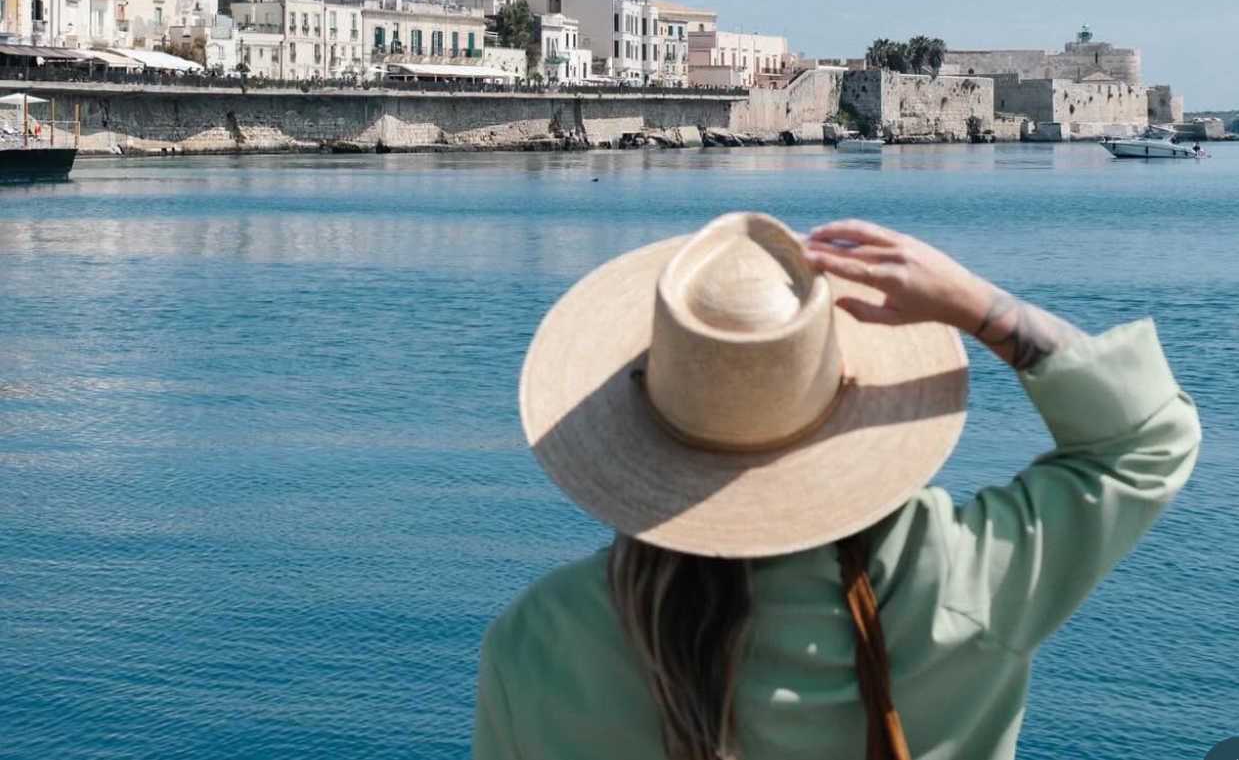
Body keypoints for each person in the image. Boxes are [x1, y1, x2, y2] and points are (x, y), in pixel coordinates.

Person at [474, 213, 1200, 760]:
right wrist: (979, 307)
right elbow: (1145, 438)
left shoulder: (542, 639)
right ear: (845, 394)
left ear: (645, 414)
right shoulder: (959, 581)